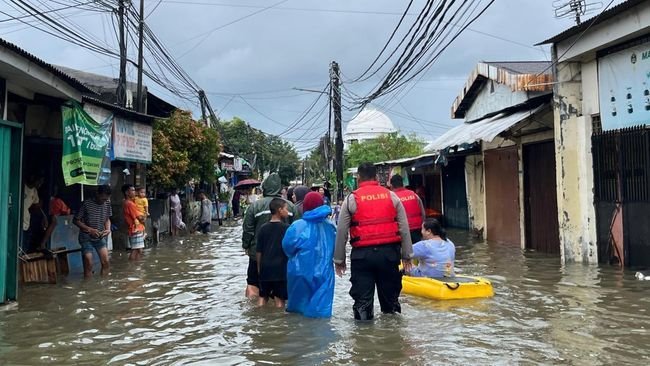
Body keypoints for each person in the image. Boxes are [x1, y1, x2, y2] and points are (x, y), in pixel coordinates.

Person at [334, 162, 414, 321]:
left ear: (358, 178)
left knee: (362, 304)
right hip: (389, 255)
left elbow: (342, 231)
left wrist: (339, 260)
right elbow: (404, 228)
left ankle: (364, 341)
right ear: (376, 177)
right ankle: (393, 339)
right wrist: (407, 255)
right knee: (391, 304)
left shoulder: (351, 199)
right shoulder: (391, 196)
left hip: (362, 257)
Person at [242, 173, 298, 298]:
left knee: (253, 285)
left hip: (258, 255)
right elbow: (297, 231)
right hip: (283, 257)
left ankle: (256, 312)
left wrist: (246, 246)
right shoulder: (290, 207)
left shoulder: (254, 206)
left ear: (264, 188)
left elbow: (248, 230)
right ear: (280, 188)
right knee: (281, 291)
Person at [283, 192, 336, 318]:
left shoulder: (297, 226)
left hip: (299, 272)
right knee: (321, 315)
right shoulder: (331, 227)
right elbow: (337, 248)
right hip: (325, 274)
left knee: (297, 313)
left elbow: (287, 247)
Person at [256, 198, 290, 307]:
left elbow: (259, 251)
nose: (287, 212)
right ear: (280, 210)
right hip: (280, 269)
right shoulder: (287, 229)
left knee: (262, 297)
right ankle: (278, 322)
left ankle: (260, 319)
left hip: (265, 268)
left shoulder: (262, 228)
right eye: (286, 209)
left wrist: (259, 269)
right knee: (280, 300)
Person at [74, 185, 112, 277]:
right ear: (97, 194)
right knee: (89, 262)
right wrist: (89, 230)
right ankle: (87, 287)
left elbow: (107, 219)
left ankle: (104, 285)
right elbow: (75, 220)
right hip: (86, 236)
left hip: (100, 236)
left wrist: (108, 229)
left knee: (106, 262)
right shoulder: (86, 204)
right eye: (102, 198)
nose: (104, 201)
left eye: (106, 199)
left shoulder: (107, 203)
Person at [390, 174, 425, 244]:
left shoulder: (391, 197)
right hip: (417, 228)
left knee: (405, 252)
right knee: (417, 250)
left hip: (402, 230)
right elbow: (423, 213)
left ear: (391, 185)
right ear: (403, 183)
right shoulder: (414, 194)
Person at [39, 186, 71, 250]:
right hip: (48, 224)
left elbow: (67, 213)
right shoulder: (56, 201)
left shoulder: (58, 201)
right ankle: (43, 243)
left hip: (59, 224)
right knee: (54, 222)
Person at [123, 184, 146, 261]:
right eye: (132, 190)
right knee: (136, 250)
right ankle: (133, 266)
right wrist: (144, 215)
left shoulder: (127, 202)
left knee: (138, 250)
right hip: (135, 228)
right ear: (127, 192)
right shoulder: (130, 204)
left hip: (134, 228)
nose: (134, 192)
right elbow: (139, 218)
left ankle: (135, 267)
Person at [22, 174, 45, 253]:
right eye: (39, 181)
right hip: (19, 222)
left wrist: (44, 217)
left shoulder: (34, 191)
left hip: (26, 223)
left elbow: (36, 206)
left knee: (24, 249)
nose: (40, 184)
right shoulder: (22, 186)